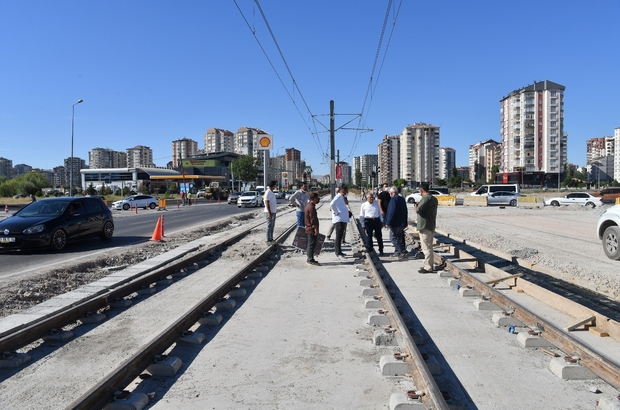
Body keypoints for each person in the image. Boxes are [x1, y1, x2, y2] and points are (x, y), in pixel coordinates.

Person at [415, 183, 439, 273]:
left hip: (425, 225)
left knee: (426, 247)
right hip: (430, 225)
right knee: (429, 246)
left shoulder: (426, 198)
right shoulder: (433, 198)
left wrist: (416, 205)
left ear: (421, 190)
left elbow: (418, 210)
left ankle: (428, 267)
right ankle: (429, 264)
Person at [384, 186, 408, 260]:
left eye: (390, 193)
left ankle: (402, 251)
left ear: (392, 193)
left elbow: (392, 212)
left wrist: (388, 222)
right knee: (399, 237)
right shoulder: (401, 199)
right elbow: (405, 210)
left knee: (393, 237)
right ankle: (398, 252)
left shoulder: (394, 199)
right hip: (402, 222)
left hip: (396, 222)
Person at [329, 185, 350, 258]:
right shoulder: (338, 197)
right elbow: (332, 204)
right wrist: (336, 212)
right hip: (339, 220)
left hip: (342, 219)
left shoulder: (342, 197)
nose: (347, 192)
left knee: (340, 237)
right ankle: (337, 252)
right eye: (347, 190)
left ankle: (340, 251)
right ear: (343, 191)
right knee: (338, 237)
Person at [305, 192, 321, 266]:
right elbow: (313, 219)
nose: (318, 200)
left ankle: (311, 258)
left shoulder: (309, 206)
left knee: (310, 244)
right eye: (317, 198)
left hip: (309, 228)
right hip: (311, 229)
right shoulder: (311, 207)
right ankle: (310, 259)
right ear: (314, 199)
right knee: (311, 244)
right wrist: (316, 229)